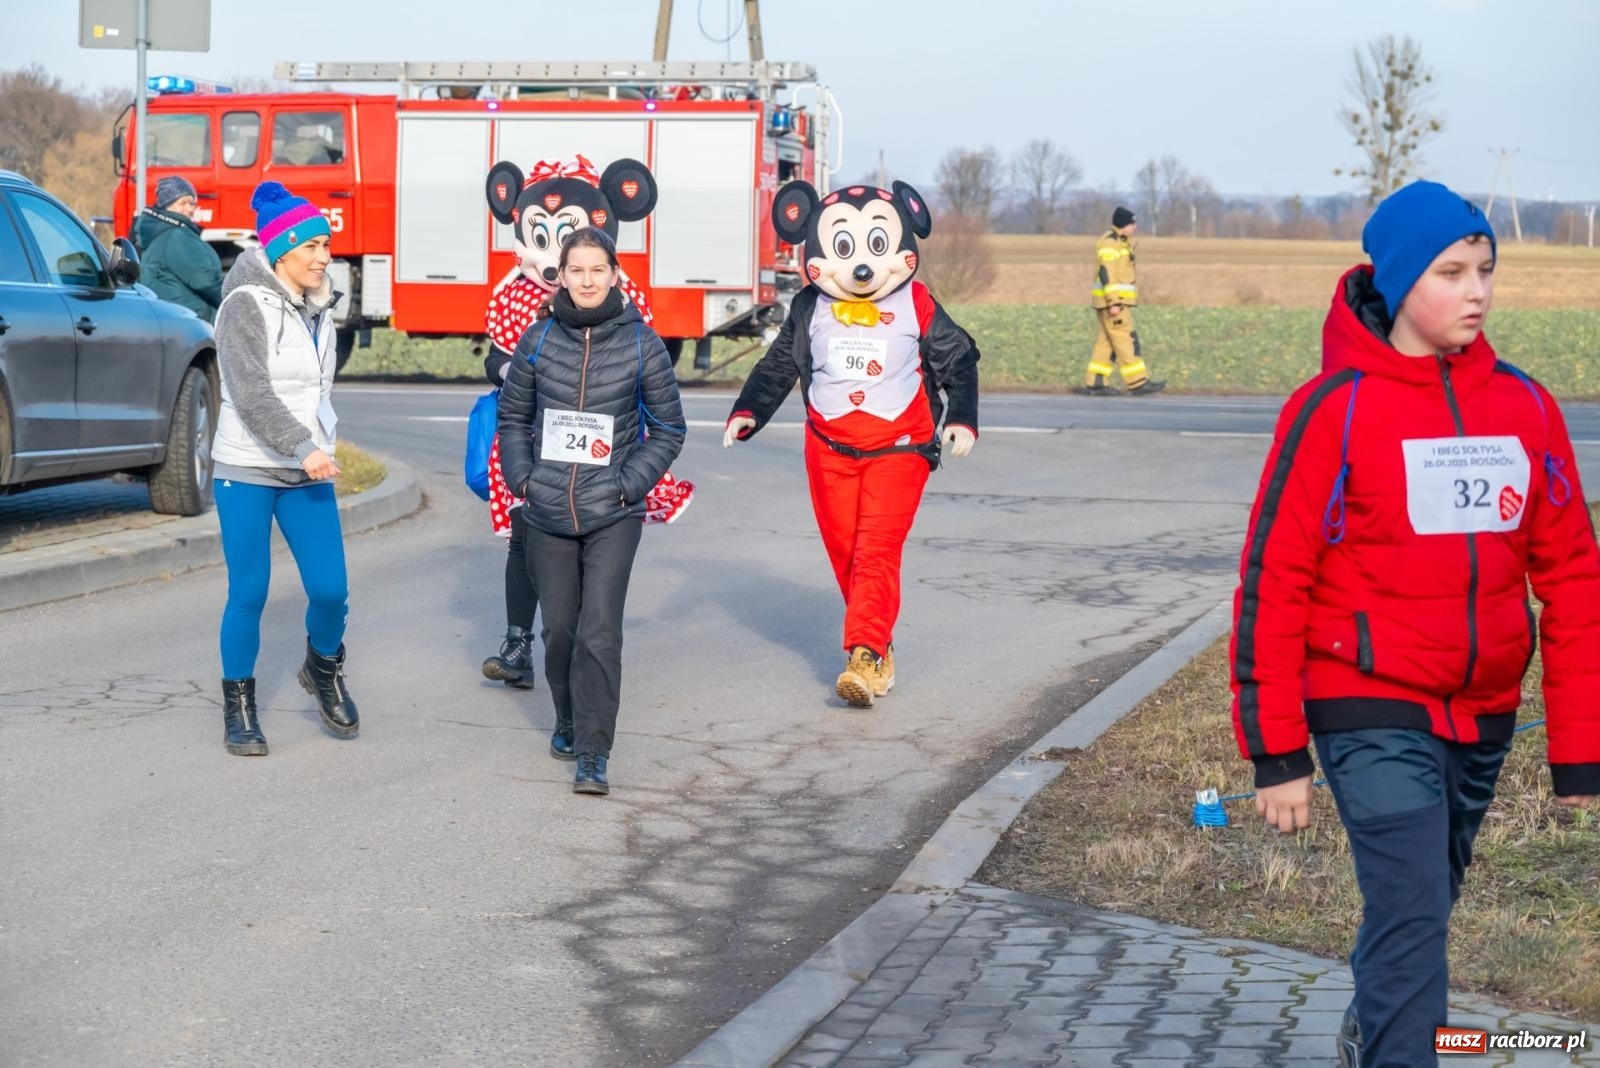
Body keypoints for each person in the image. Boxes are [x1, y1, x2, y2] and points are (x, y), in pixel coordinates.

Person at [1228, 180, 1599, 1068]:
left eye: (1486, 271)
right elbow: (1272, 583)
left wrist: (1580, 752)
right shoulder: (1334, 409)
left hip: (1482, 710)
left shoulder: (1526, 407)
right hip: (1365, 700)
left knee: (1423, 905)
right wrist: (1279, 756)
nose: (1476, 291)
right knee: (1413, 912)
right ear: (1398, 284)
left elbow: (1576, 580)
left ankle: (1380, 1029)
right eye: (1450, 272)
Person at [724, 179, 980, 708]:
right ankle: (880, 647)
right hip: (828, 448)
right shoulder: (809, 306)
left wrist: (962, 418)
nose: (862, 265)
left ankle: (862, 654)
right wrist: (749, 411)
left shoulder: (917, 302)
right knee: (845, 550)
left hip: (900, 446)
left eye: (877, 247)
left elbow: (959, 360)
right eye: (845, 248)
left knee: (875, 550)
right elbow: (778, 364)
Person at [478, 155, 694, 692]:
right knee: (523, 540)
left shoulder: (623, 298)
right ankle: (517, 641)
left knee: (587, 555)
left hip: (604, 450)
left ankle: (575, 643)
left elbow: (645, 369)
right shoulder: (513, 296)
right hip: (534, 440)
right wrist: (509, 374)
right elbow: (494, 359)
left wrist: (632, 472)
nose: (566, 261)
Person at [496, 227, 685, 796]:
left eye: (596, 270)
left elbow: (669, 428)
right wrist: (524, 480)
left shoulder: (640, 343)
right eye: (575, 270)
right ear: (562, 275)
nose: (585, 280)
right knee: (560, 631)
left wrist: (629, 485)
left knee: (599, 632)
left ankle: (594, 751)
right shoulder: (537, 339)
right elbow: (512, 420)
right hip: (548, 510)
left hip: (613, 513)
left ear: (614, 275)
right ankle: (569, 718)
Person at [211, 180, 359, 756]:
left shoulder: (318, 306)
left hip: (307, 468)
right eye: (312, 247)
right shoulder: (244, 305)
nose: (325, 257)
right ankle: (239, 709)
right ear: (280, 252)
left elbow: (312, 389)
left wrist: (314, 445)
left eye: (326, 245)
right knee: (249, 591)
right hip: (247, 467)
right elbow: (250, 393)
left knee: (331, 590)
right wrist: (304, 446)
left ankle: (322, 667)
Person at [1082, 206, 1163, 396]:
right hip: (1113, 304)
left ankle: (1096, 383)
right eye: (1132, 223)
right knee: (1126, 340)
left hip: (1111, 303)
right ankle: (1138, 383)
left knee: (1106, 343)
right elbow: (1106, 273)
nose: (1135, 226)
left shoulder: (1117, 241)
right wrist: (1114, 302)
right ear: (1124, 224)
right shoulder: (1111, 244)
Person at [133, 175, 223, 324]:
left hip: (170, 317)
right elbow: (205, 281)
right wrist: (233, 301)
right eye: (183, 203)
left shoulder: (159, 232)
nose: (190, 209)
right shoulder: (177, 236)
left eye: (192, 203)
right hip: (193, 321)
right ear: (167, 206)